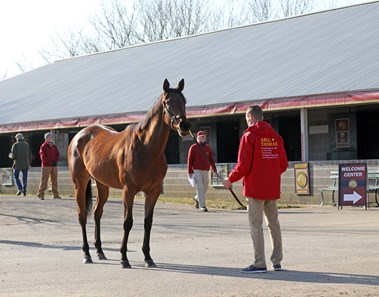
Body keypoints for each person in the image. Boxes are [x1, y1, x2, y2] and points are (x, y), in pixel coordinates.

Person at [223, 105, 288, 274]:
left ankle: (259, 263)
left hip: (254, 189)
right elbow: (283, 164)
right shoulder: (276, 137)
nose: (246, 121)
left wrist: (230, 179)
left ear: (251, 117)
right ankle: (277, 261)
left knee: (256, 224)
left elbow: (243, 166)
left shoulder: (249, 137)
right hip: (272, 188)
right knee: (274, 224)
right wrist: (271, 174)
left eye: (246, 118)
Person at [187, 130, 217, 212]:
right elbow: (190, 160)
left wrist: (214, 169)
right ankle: (202, 205)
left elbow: (211, 159)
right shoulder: (193, 147)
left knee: (205, 187)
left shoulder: (208, 148)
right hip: (196, 170)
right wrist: (189, 171)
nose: (203, 138)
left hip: (206, 170)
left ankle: (196, 198)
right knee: (200, 187)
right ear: (198, 138)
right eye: (201, 137)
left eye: (204, 136)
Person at [37, 132, 61, 200]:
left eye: (50, 137)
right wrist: (50, 162)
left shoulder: (54, 146)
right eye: (48, 137)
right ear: (46, 138)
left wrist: (56, 161)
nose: (50, 138)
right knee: (44, 180)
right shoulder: (43, 146)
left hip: (54, 165)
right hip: (46, 165)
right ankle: (40, 194)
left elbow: (57, 154)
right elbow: (43, 156)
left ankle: (55, 194)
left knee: (54, 180)